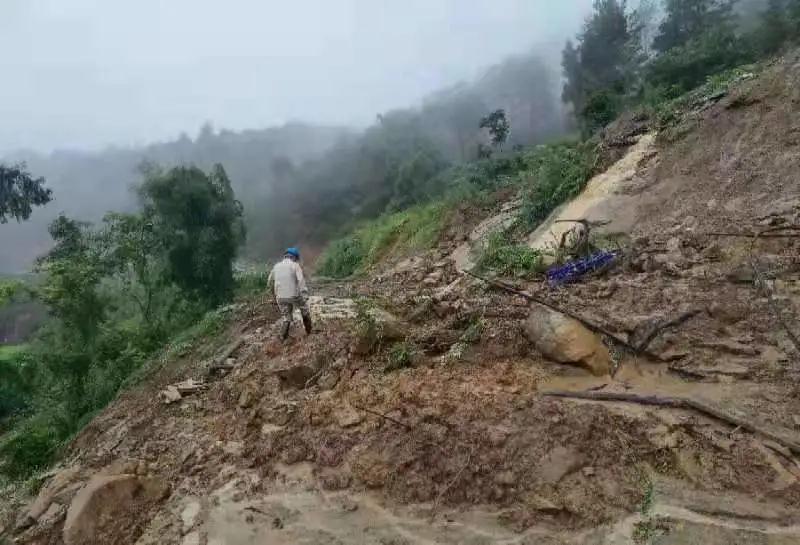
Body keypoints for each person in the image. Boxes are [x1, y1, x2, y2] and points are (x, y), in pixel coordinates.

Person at [267, 247, 313, 340]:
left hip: (279, 297)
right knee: (304, 309)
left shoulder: (276, 266)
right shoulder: (295, 265)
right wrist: (304, 295)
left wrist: (274, 296)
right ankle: (309, 332)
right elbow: (301, 281)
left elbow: (269, 282)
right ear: (294, 257)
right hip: (294, 295)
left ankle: (282, 337)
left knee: (286, 317)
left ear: (285, 256)